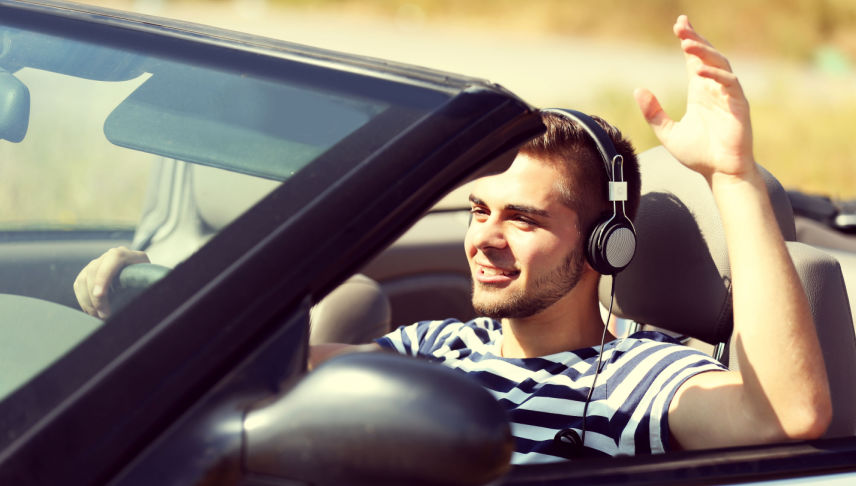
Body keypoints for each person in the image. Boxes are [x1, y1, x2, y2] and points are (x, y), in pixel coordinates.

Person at [74, 15, 832, 464]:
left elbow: (783, 419)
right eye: (480, 210)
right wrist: (148, 301)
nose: (486, 239)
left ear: (606, 242)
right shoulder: (436, 347)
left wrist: (732, 176)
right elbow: (259, 365)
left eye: (525, 219)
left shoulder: (638, 375)